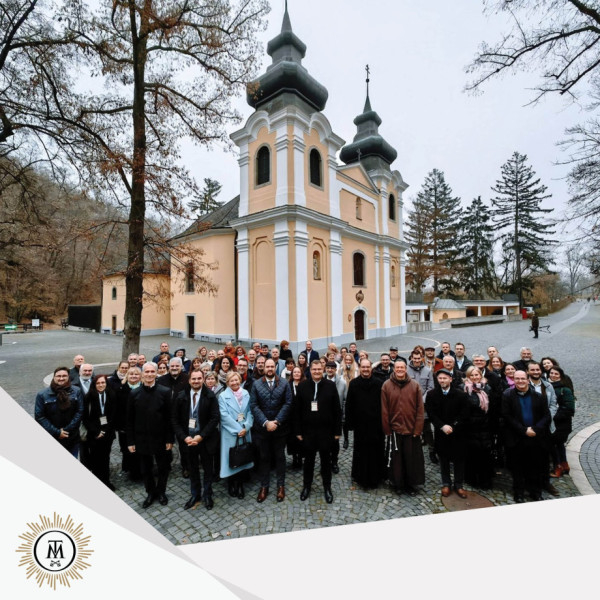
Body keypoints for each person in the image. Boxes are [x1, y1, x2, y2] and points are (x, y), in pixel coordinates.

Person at [127, 362, 174, 508]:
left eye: (152, 372)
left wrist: (170, 439)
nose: (149, 374)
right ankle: (150, 492)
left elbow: (169, 418)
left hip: (161, 437)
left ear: (156, 373)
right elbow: (129, 419)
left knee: (163, 467)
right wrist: (130, 441)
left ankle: (161, 492)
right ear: (142, 374)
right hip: (141, 438)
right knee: (145, 469)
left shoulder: (165, 392)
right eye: (146, 372)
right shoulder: (134, 393)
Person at [295, 360, 342, 503]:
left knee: (326, 461)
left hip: (326, 432)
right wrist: (298, 431)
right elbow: (297, 411)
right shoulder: (302, 386)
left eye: (319, 369)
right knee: (308, 462)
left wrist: (337, 431)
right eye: (314, 369)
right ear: (310, 370)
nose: (316, 372)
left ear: (323, 370)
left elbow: (337, 410)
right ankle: (306, 486)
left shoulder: (330, 386)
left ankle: (327, 487)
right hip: (308, 432)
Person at [172, 369, 219, 510]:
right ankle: (195, 494)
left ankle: (207, 494)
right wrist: (184, 437)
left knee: (208, 468)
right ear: (189, 380)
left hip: (205, 439)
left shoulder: (210, 396)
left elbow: (215, 418)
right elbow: (175, 420)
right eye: (194, 379)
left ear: (203, 379)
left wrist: (201, 436)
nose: (196, 381)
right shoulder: (181, 396)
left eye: (199, 378)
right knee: (192, 468)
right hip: (188, 440)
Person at [502, 370, 551, 503]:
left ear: (528, 380)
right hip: (517, 438)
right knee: (517, 468)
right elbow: (507, 416)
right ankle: (519, 493)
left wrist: (535, 429)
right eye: (517, 379)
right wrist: (523, 430)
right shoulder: (507, 395)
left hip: (535, 437)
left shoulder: (539, 396)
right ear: (514, 380)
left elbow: (546, 416)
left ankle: (535, 491)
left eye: (523, 378)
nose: (520, 381)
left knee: (535, 466)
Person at [250, 358, 293, 503]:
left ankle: (281, 486)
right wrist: (265, 422)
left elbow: (288, 403)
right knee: (264, 457)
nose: (269, 369)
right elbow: (254, 405)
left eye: (272, 366)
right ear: (263, 368)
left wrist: (276, 421)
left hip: (280, 429)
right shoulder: (256, 384)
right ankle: (264, 486)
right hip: (262, 429)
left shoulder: (284, 383)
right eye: (267, 366)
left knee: (280, 457)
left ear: (275, 367)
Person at [381, 360, 425, 495]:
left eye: (402, 367)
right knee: (397, 461)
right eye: (397, 367)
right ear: (394, 369)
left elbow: (420, 408)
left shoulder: (415, 385)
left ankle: (411, 485)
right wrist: (387, 429)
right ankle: (398, 484)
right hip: (395, 430)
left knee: (411, 460)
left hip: (411, 429)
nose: (400, 369)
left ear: (406, 369)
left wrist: (418, 429)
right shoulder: (386, 385)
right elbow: (384, 409)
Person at [426, 369, 470, 499]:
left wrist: (453, 426)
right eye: (440, 378)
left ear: (450, 379)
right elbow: (431, 414)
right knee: (443, 458)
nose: (442, 381)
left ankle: (459, 484)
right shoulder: (432, 394)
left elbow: (464, 414)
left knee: (459, 459)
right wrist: (442, 426)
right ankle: (446, 483)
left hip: (458, 432)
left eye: (445, 378)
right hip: (441, 432)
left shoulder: (461, 395)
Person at [345, 359, 385, 489]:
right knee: (360, 452)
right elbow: (349, 404)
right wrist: (350, 423)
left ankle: (376, 477)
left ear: (371, 368)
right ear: (360, 368)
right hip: (360, 425)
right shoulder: (354, 384)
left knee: (376, 451)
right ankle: (360, 476)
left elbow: (383, 405)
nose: (366, 369)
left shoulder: (379, 383)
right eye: (363, 367)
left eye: (368, 367)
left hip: (376, 425)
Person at [218, 371, 254, 499]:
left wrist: (246, 427)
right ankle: (231, 483)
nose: (234, 383)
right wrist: (238, 429)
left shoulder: (246, 393)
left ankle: (240, 484)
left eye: (236, 380)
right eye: (231, 381)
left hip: (245, 430)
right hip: (231, 432)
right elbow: (224, 416)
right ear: (228, 383)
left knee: (242, 456)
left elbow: (250, 411)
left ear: (240, 380)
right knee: (232, 457)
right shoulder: (222, 396)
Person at [35, 366, 84, 458]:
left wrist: (66, 430)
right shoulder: (42, 394)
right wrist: (57, 432)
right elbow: (39, 416)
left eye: (64, 376)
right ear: (54, 377)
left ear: (68, 377)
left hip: (72, 437)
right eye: (58, 376)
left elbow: (80, 411)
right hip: (52, 436)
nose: (61, 378)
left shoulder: (77, 391)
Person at [82, 374, 116, 490]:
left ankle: (106, 481)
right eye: (98, 383)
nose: (101, 385)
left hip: (108, 433)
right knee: (95, 458)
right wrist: (96, 432)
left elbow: (113, 415)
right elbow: (85, 418)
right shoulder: (88, 397)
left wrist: (105, 431)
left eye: (103, 382)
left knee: (106, 458)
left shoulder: (111, 395)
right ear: (94, 384)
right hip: (94, 434)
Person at [462, 366, 494, 489]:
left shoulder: (487, 388)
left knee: (485, 455)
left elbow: (493, 407)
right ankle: (472, 479)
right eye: (472, 375)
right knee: (472, 455)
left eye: (477, 375)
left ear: (481, 375)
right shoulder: (464, 389)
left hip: (486, 427)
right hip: (471, 428)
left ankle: (485, 480)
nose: (475, 377)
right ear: (468, 377)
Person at [407, 350, 436, 463]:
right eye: (415, 358)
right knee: (410, 429)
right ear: (411, 358)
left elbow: (431, 388)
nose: (416, 360)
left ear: (422, 358)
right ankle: (412, 452)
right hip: (409, 405)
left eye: (418, 358)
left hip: (423, 406)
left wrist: (421, 400)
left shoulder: (428, 371)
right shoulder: (406, 370)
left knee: (427, 430)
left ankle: (432, 451)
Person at [115, 366, 142, 480]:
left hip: (141, 425)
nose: (134, 376)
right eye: (131, 374)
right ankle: (131, 471)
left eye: (136, 374)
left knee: (140, 449)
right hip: (125, 426)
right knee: (127, 449)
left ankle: (141, 471)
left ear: (140, 376)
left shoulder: (144, 388)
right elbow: (117, 410)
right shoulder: (120, 389)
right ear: (127, 376)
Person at [548, 366, 575, 479]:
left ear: (560, 376)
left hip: (561, 424)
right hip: (554, 423)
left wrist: (553, 416)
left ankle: (558, 467)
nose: (553, 375)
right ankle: (565, 465)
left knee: (554, 445)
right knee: (559, 445)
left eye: (556, 374)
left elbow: (569, 409)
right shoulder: (548, 386)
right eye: (551, 373)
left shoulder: (565, 390)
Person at [324, 360, 346, 474]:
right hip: (323, 417)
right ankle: (325, 462)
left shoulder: (342, 383)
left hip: (336, 417)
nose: (330, 370)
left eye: (332, 368)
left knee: (335, 442)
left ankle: (334, 461)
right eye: (328, 368)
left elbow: (345, 400)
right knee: (323, 441)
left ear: (335, 370)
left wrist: (343, 416)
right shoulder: (320, 381)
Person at [338, 352, 359, 449]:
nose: (348, 361)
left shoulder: (356, 369)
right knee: (344, 420)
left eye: (350, 360)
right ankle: (346, 439)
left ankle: (356, 439)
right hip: (344, 397)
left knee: (356, 419)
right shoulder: (341, 369)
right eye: (346, 360)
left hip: (354, 397)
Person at [287, 366, 305, 469]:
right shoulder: (288, 385)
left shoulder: (305, 385)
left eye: (298, 372)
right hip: (291, 417)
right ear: (292, 374)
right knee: (292, 439)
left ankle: (300, 458)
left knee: (301, 438)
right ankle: (294, 457)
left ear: (301, 374)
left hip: (302, 417)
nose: (297, 374)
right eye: (295, 372)